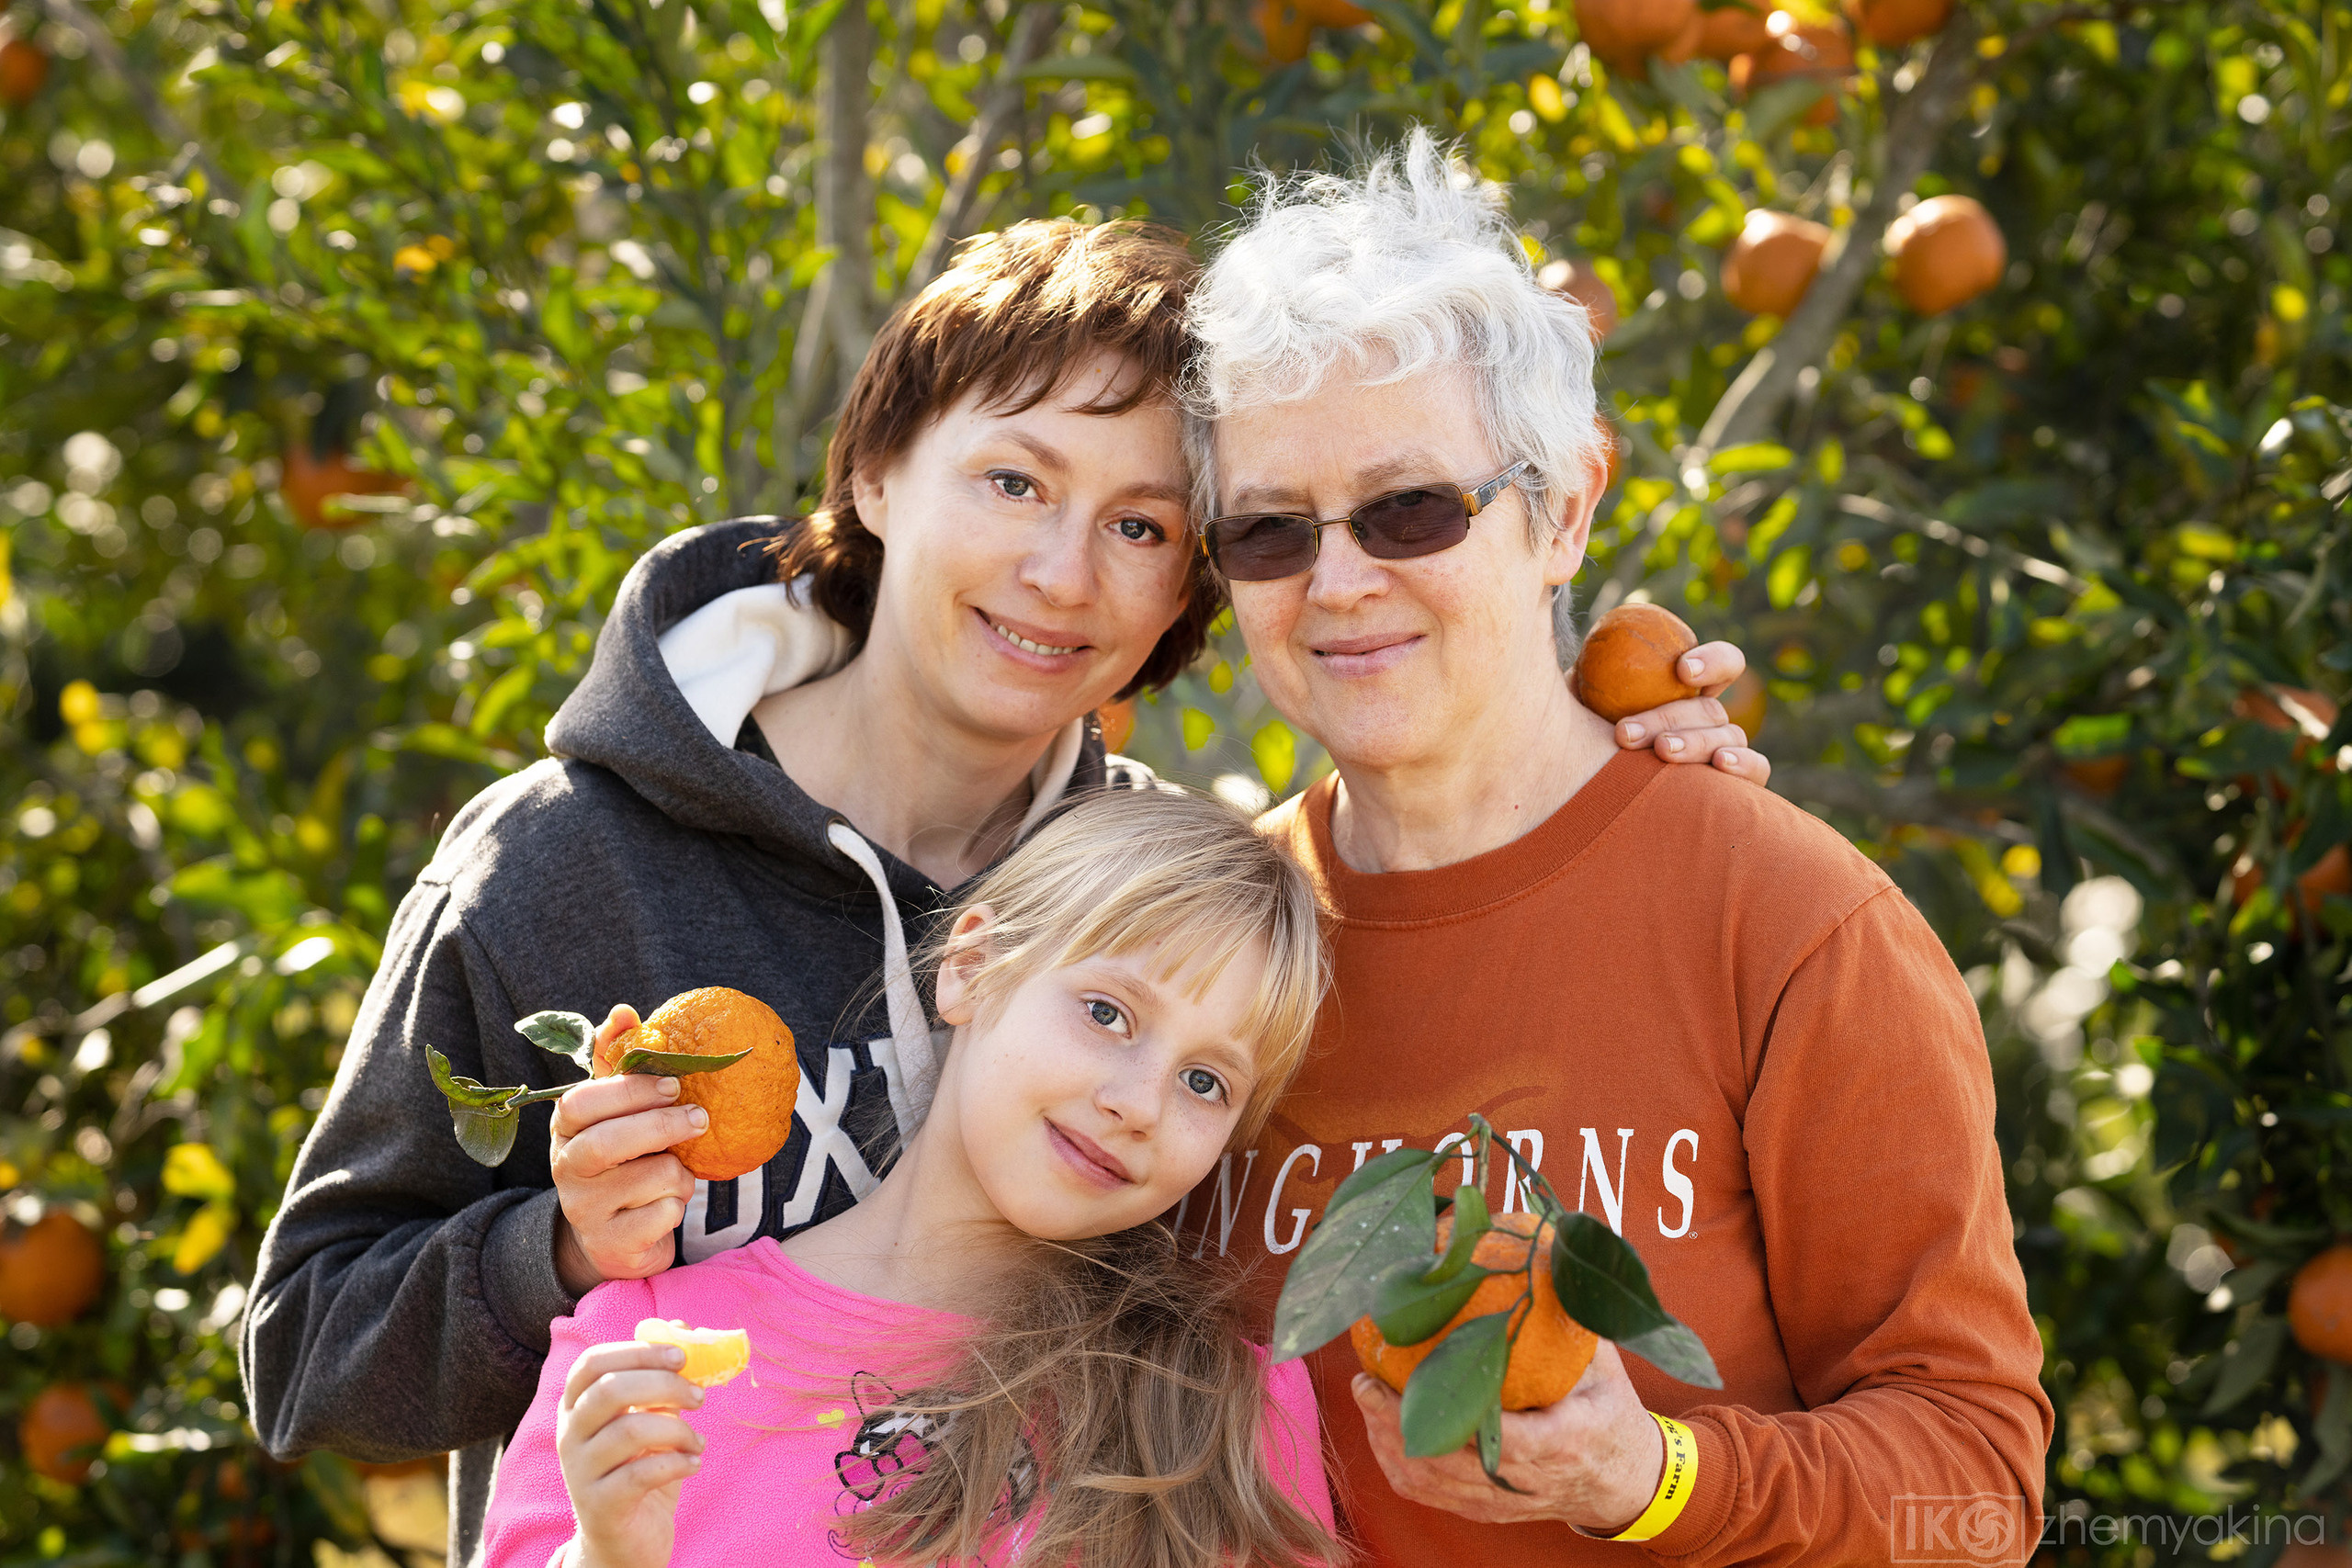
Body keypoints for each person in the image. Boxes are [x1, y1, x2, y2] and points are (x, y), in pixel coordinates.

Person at [243, 215, 1775, 1562]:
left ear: (1193, 588)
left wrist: (1612, 746)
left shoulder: (1154, 919)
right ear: (875, 471)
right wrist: (560, 1249)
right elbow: (308, 1360)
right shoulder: (565, 863)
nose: (1062, 572)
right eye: (1013, 480)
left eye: (1140, 529)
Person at [1175, 132, 2055, 1566]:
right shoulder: (1197, 954)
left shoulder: (1788, 921)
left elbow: (1977, 1484)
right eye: (1270, 530)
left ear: (1566, 505)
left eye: (1411, 508)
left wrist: (1650, 1474)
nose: (1339, 582)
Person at [480, 790, 1339, 1568]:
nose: (1139, 1104)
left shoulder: (1224, 1415)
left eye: (1205, 1081)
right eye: (1107, 1013)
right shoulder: (642, 1343)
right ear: (969, 967)